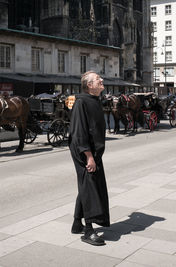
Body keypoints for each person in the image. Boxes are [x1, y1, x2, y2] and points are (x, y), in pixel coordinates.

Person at [68, 71, 109, 246]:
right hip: (84, 152)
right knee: (91, 186)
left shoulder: (94, 101)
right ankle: (88, 230)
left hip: (93, 151)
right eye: (97, 79)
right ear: (89, 85)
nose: (101, 80)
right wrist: (89, 156)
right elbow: (79, 132)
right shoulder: (81, 102)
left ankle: (77, 222)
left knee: (87, 184)